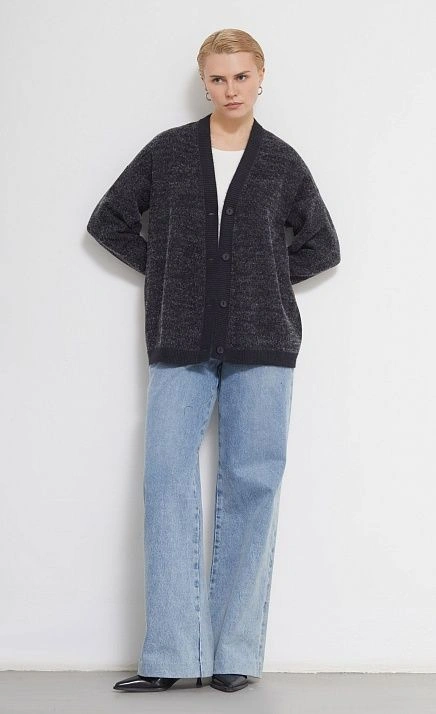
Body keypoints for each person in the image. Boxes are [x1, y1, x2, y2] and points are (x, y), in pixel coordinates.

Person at [87, 28, 341, 694]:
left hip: (265, 342)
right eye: (218, 78)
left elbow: (322, 246)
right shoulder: (168, 153)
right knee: (165, 479)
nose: (231, 89)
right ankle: (172, 656)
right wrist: (171, 271)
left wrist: (260, 279)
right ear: (204, 82)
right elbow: (110, 220)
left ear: (261, 77)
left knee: (253, 484)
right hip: (180, 337)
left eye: (241, 76)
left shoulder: (281, 163)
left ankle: (234, 652)